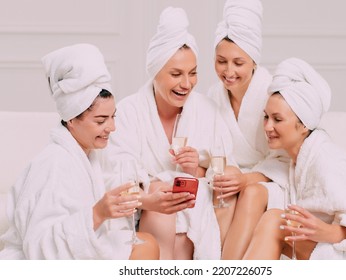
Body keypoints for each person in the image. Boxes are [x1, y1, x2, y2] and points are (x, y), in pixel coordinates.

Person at [0, 44, 159, 260]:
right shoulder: (52, 165)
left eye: (113, 117)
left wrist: (146, 195)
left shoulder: (89, 154)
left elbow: (117, 176)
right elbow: (39, 248)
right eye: (101, 120)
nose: (112, 128)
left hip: (81, 248)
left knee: (147, 243)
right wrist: (97, 213)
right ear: (72, 119)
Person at [106, 7, 234, 260]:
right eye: (176, 74)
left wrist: (197, 167)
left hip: (196, 210)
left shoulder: (208, 111)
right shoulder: (129, 112)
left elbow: (225, 168)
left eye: (193, 73)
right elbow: (117, 173)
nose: (186, 84)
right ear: (155, 72)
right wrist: (154, 189)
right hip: (146, 211)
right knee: (162, 195)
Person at [243, 57, 346, 260]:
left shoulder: (328, 164)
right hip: (325, 252)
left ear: (304, 125)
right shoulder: (296, 161)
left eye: (277, 119)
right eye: (266, 117)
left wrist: (335, 232)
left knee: (275, 221)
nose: (268, 127)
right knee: (270, 216)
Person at [206, 0, 289, 259]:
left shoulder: (272, 95)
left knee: (250, 192)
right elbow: (211, 150)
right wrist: (228, 175)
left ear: (253, 61)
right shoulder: (213, 95)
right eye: (221, 61)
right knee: (224, 180)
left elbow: (286, 159)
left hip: (272, 180)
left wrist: (245, 179)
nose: (229, 72)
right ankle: (208, 260)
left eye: (238, 63)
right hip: (232, 179)